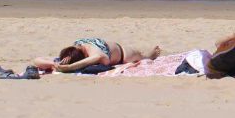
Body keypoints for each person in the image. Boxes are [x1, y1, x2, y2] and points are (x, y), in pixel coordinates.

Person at [31, 37, 160, 73]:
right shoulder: (71, 52)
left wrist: (70, 68)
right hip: (111, 49)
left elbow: (102, 59)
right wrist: (54, 64)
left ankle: (150, 55)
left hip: (123, 53)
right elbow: (36, 60)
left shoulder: (93, 51)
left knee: (142, 57)